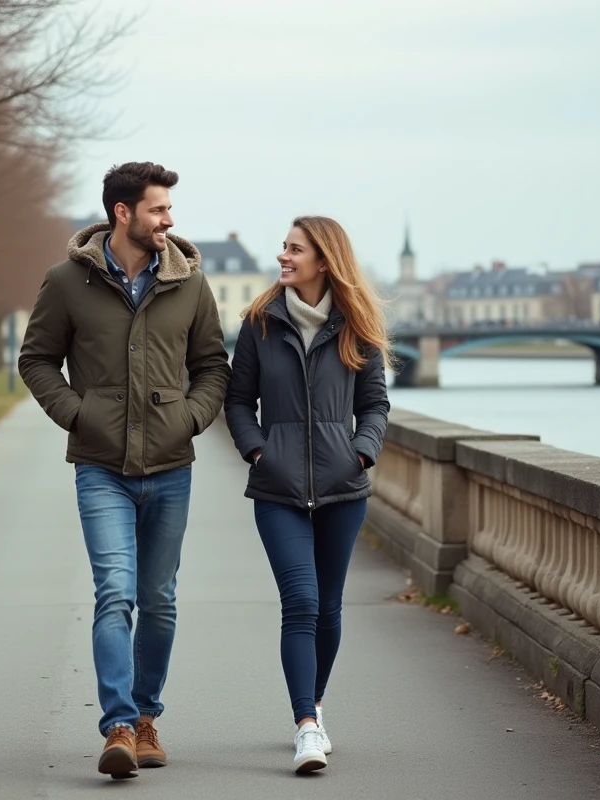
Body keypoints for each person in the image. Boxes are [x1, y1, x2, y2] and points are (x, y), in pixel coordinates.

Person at [18, 162, 230, 780]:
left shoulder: (190, 283)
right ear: (123, 213)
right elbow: (36, 361)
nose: (169, 220)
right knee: (115, 593)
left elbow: (213, 366)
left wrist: (190, 419)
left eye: (168, 210)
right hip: (100, 467)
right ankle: (116, 725)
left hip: (170, 465)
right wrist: (78, 415)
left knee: (158, 600)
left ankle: (145, 719)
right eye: (159, 209)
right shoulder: (65, 282)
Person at [223, 216, 390, 775]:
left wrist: (361, 452)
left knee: (330, 608)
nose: (282, 257)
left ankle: (313, 708)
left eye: (294, 249)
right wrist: (257, 452)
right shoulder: (260, 324)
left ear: (325, 259)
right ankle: (305, 727)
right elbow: (238, 401)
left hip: (345, 488)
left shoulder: (357, 327)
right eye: (284, 248)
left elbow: (375, 406)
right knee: (301, 602)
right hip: (278, 489)